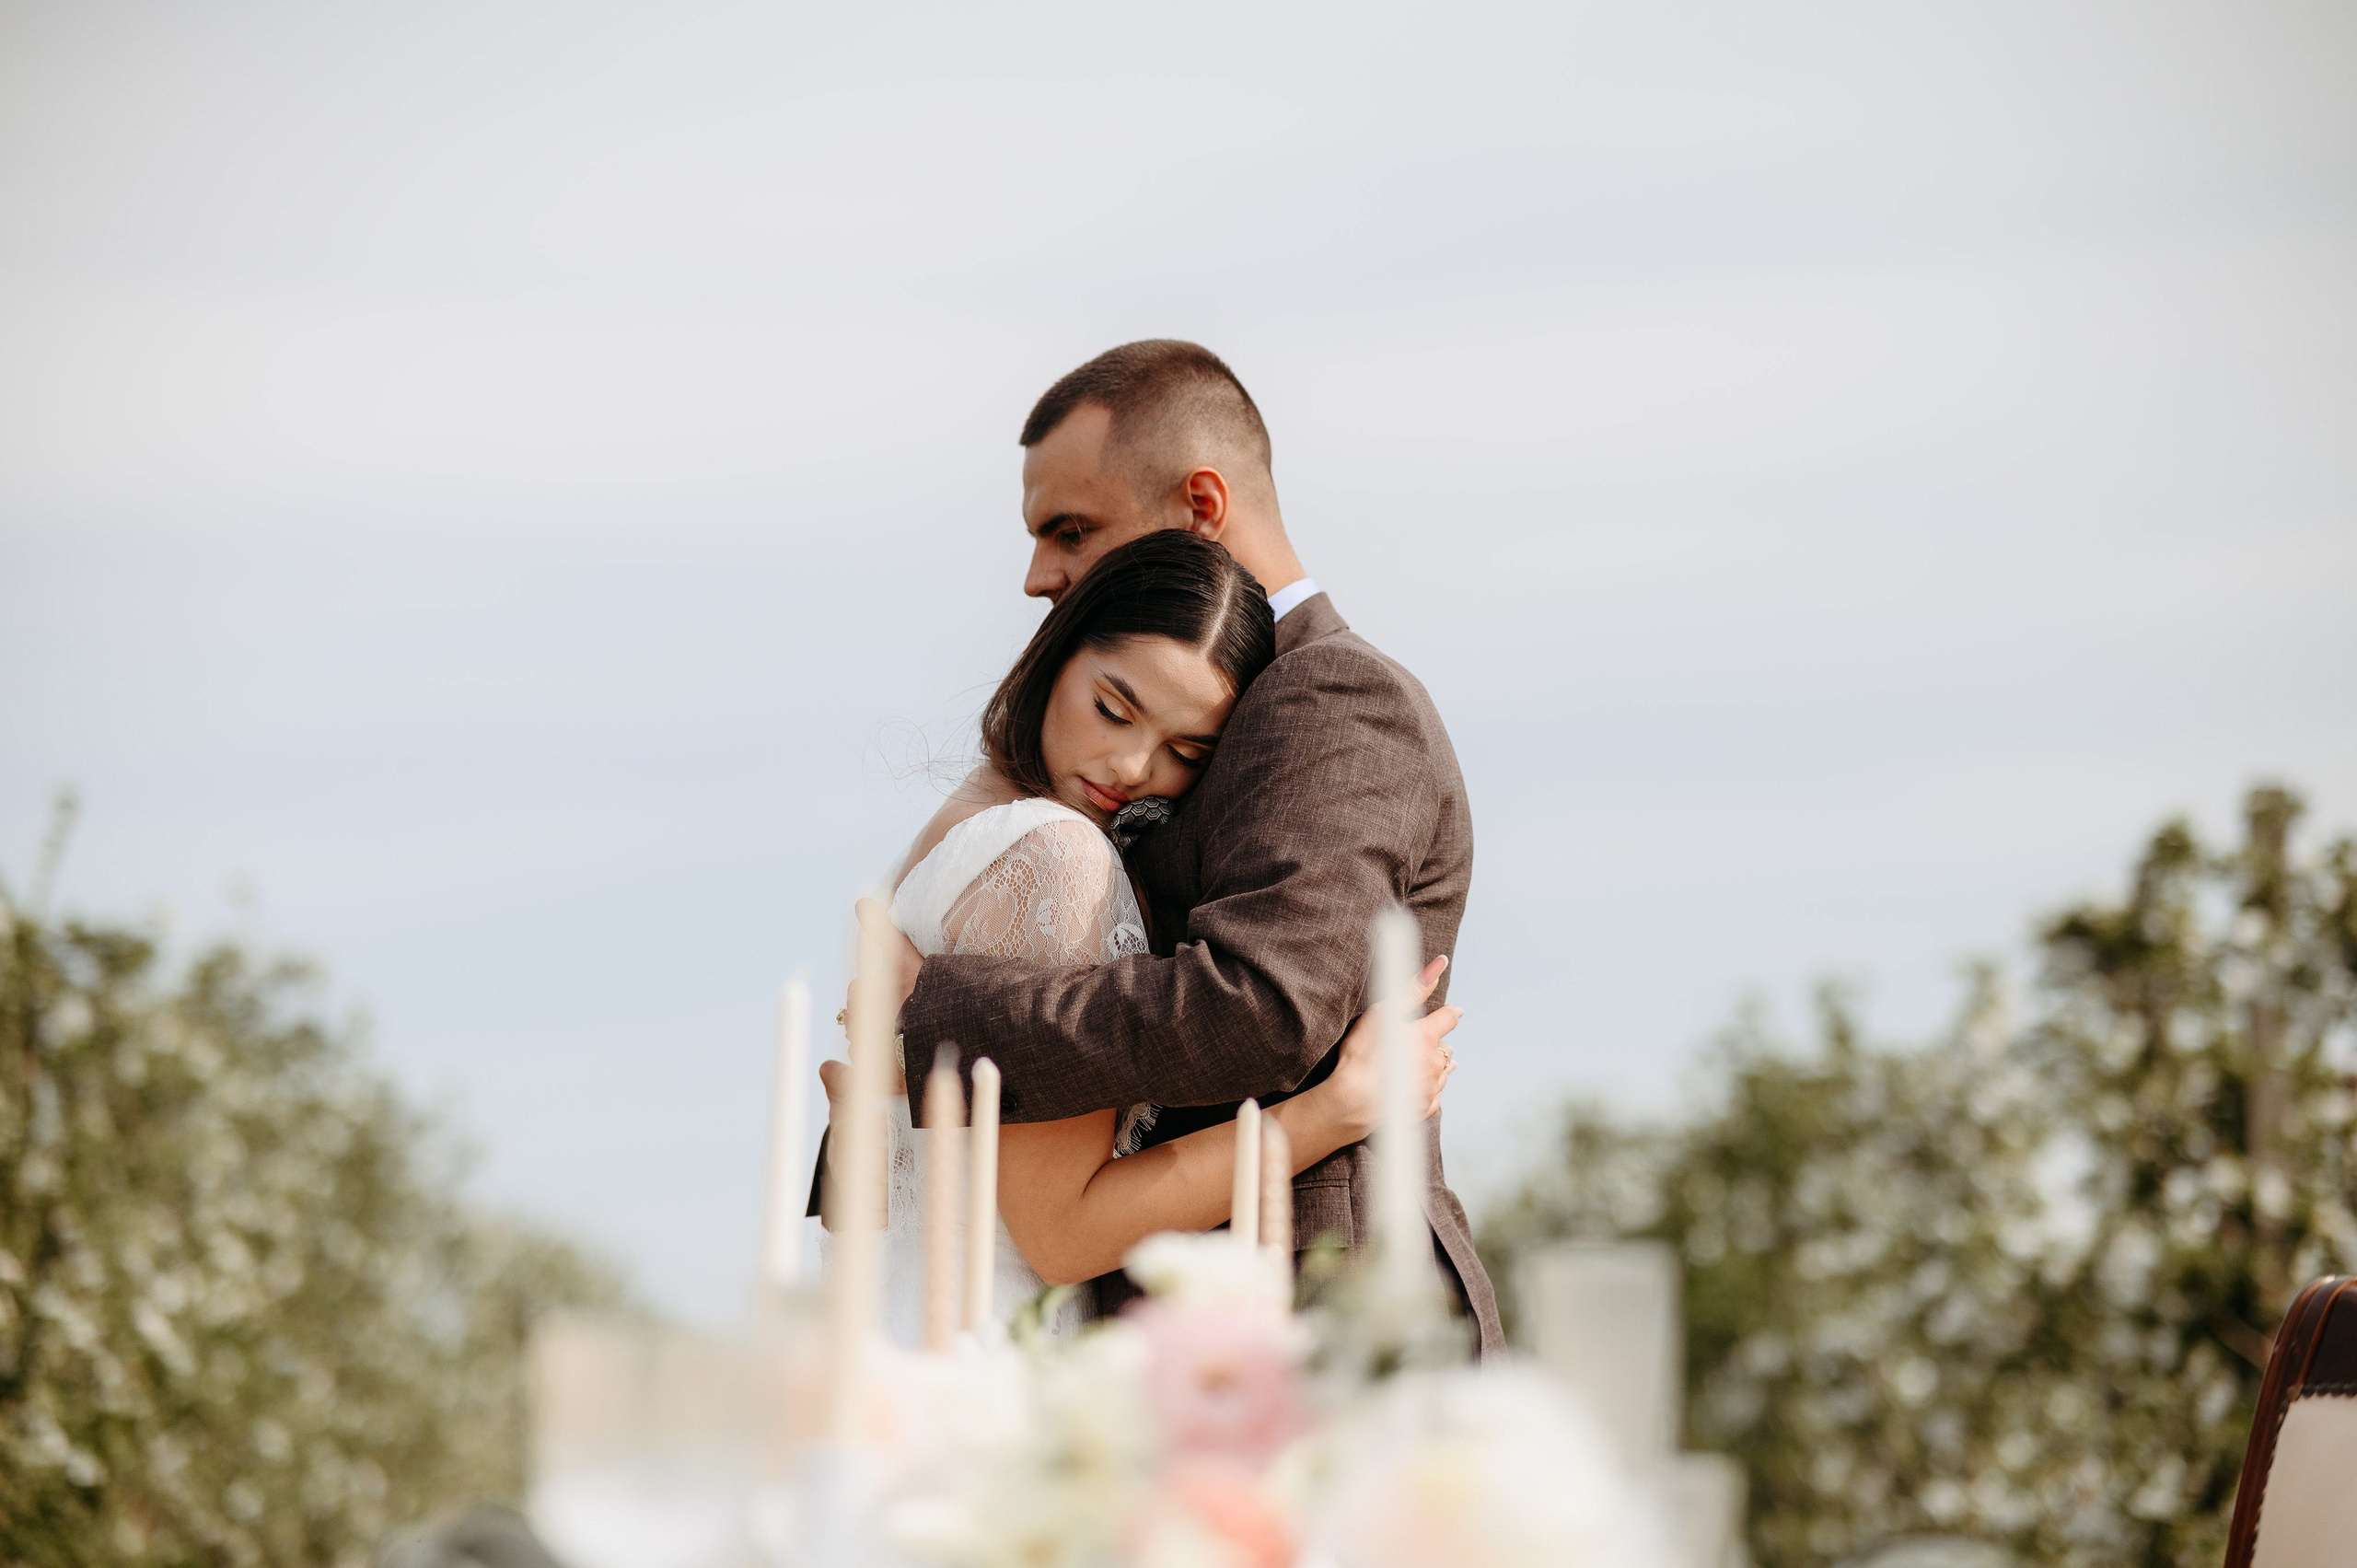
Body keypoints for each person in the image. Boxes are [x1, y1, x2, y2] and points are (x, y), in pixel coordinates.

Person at [852, 341, 1504, 1353]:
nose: (1039, 575)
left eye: (1072, 528)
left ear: (1200, 505)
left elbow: (1263, 1005)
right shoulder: (1062, 788)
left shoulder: (1333, 693)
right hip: (1151, 1315)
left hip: (1313, 1308)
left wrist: (939, 1013)